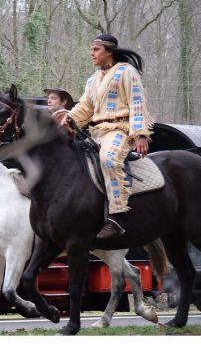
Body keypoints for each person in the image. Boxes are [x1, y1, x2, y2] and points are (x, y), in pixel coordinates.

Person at [63, 34, 154, 239]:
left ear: (109, 52)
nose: (91, 53)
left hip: (119, 129)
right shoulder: (93, 79)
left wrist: (140, 135)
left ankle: (117, 217)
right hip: (96, 132)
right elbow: (85, 107)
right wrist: (69, 119)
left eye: (96, 49)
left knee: (109, 159)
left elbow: (137, 103)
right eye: (91, 49)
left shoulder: (126, 72)